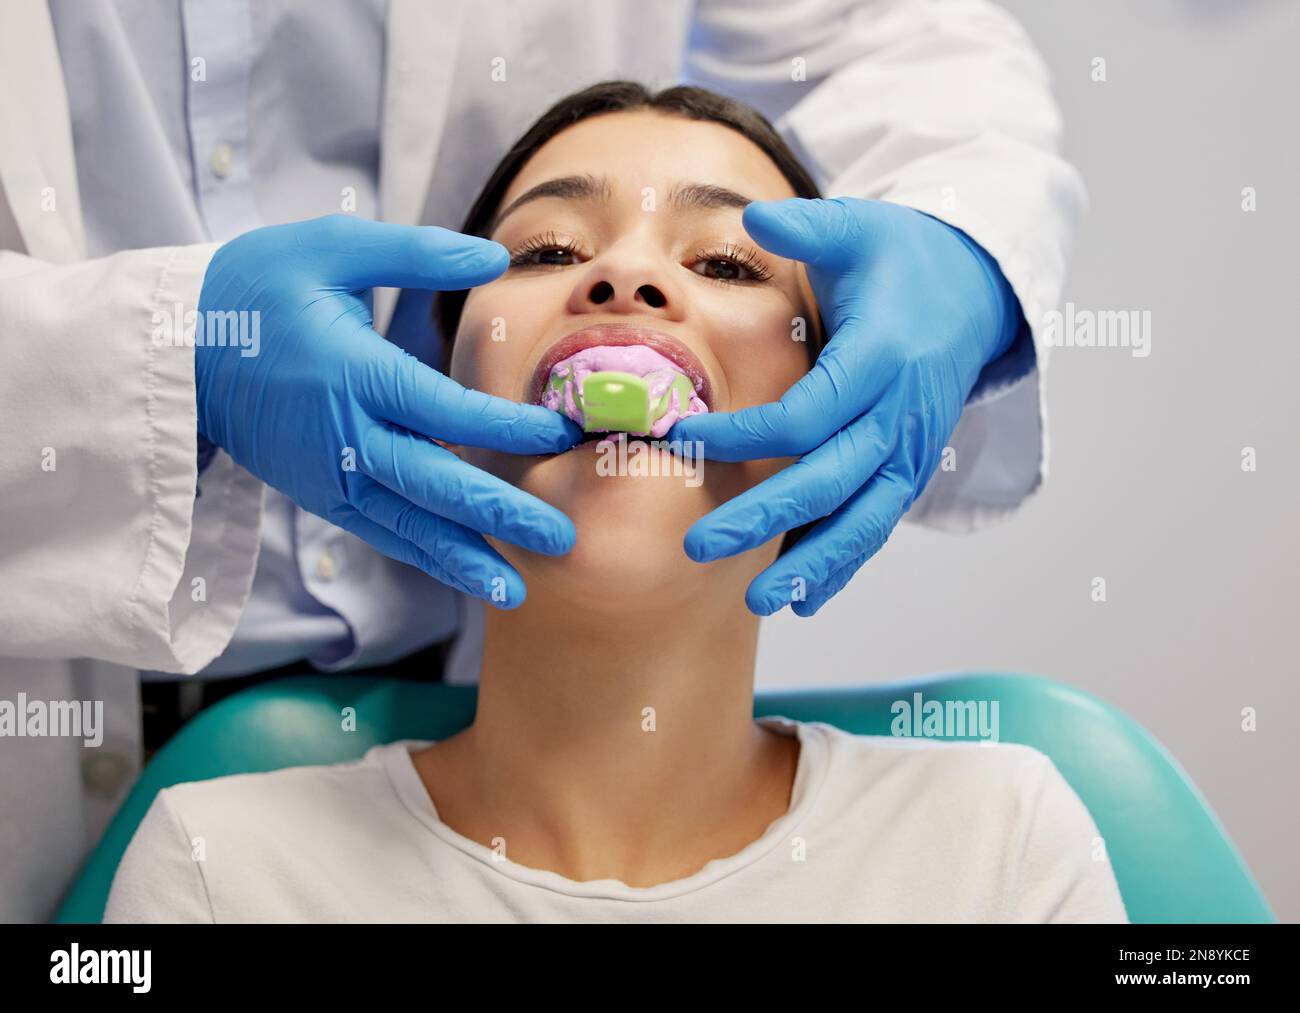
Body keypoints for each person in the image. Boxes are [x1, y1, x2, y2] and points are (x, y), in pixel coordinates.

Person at [0, 0, 1083, 922]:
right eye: (549, 251)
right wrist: (167, 358)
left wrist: (966, 247)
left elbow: (885, 32)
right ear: (442, 380)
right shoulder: (215, 870)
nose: (624, 276)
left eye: (720, 261)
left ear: (834, 390)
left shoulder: (998, 845)